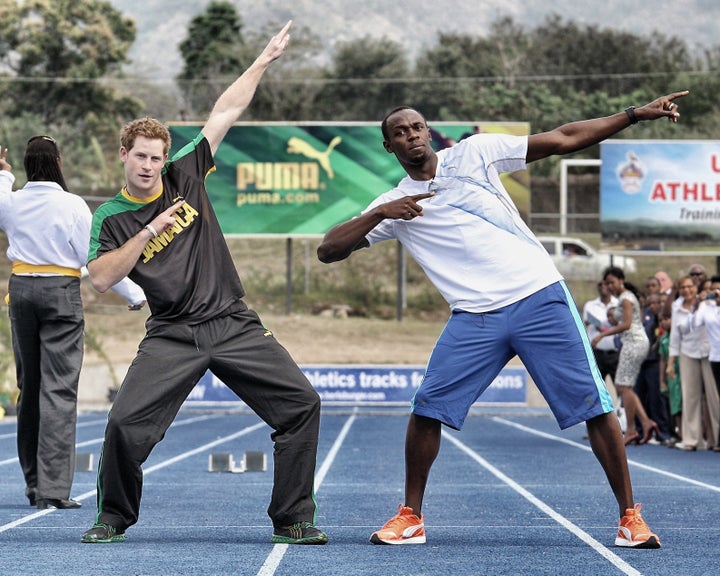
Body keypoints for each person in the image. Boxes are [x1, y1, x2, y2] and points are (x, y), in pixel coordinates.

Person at [317, 91, 688, 549]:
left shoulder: (474, 152)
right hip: (474, 317)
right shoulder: (395, 205)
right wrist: (378, 214)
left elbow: (564, 138)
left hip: (537, 296)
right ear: (389, 147)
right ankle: (410, 516)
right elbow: (328, 250)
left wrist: (634, 114)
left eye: (417, 127)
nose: (411, 136)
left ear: (428, 131)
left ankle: (629, 517)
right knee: (427, 407)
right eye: (400, 133)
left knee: (595, 406)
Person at [80, 21, 327, 546]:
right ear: (123, 156)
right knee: (123, 426)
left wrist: (263, 60)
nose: (148, 165)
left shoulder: (184, 173)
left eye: (155, 156)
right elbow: (100, 280)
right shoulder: (110, 217)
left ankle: (292, 518)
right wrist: (150, 228)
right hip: (172, 334)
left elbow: (226, 111)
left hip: (232, 323)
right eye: (140, 156)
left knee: (302, 404)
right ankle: (113, 517)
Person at [0, 138, 145, 511]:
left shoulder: (12, 199)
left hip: (20, 292)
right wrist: (133, 294)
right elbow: (94, 258)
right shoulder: (72, 204)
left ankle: (33, 484)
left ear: (26, 165)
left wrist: (4, 176)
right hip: (60, 292)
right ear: (59, 162)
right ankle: (52, 489)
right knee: (59, 391)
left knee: (29, 387)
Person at [592, 267, 659, 445]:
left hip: (634, 342)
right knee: (624, 386)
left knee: (624, 387)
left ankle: (631, 429)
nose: (609, 286)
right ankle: (645, 423)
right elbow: (625, 320)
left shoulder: (626, 298)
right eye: (606, 283)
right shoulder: (624, 298)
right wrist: (614, 318)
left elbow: (627, 324)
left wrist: (602, 335)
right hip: (632, 342)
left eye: (612, 282)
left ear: (621, 280)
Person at [668, 275, 718, 451]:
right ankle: (691, 439)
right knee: (690, 396)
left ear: (696, 288)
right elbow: (675, 334)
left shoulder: (708, 303)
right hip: (687, 351)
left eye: (690, 287)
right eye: (683, 287)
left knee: (714, 397)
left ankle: (716, 439)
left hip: (709, 351)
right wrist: (671, 360)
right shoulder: (676, 307)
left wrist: (701, 304)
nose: (686, 290)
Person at [687, 274, 720, 451]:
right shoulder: (707, 309)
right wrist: (696, 306)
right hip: (716, 357)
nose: (716, 292)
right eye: (713, 289)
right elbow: (692, 325)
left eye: (718, 289)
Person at [584, 280, 620, 385]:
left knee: (620, 388)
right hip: (597, 353)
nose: (602, 286)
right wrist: (602, 327)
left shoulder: (618, 303)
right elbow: (587, 321)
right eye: (600, 284)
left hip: (615, 353)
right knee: (596, 386)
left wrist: (599, 325)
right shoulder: (590, 305)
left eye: (605, 284)